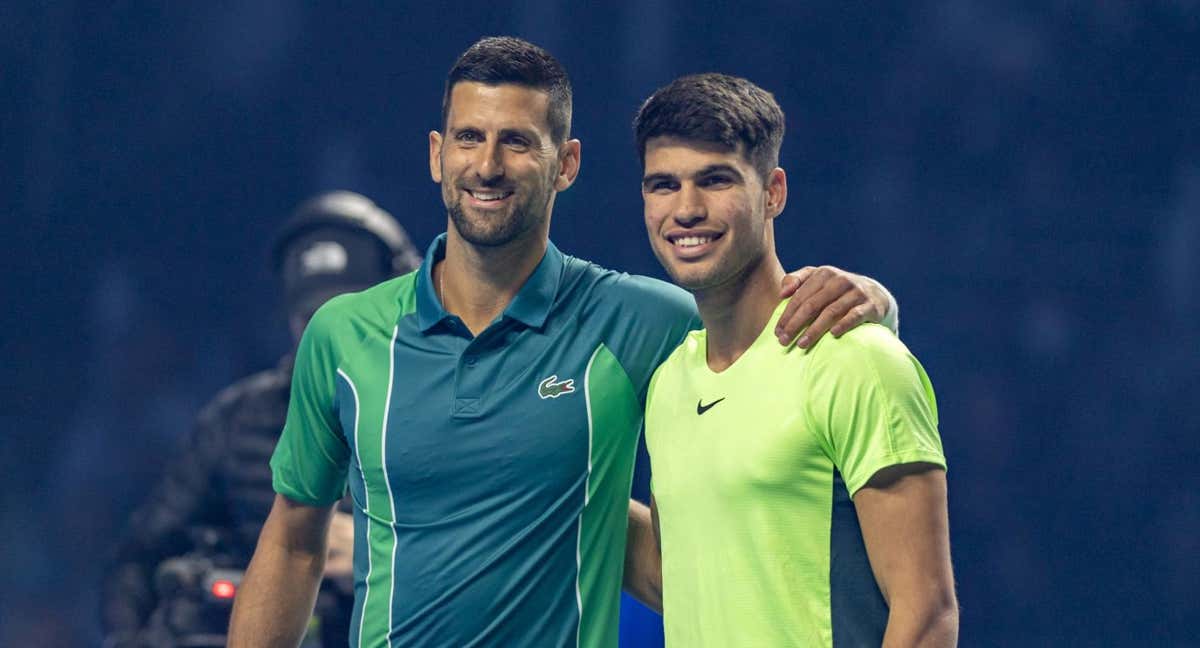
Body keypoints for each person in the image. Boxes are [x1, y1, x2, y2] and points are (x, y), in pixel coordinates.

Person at [228, 37, 898, 648]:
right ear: (437, 154)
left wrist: (876, 303)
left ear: (566, 163)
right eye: (469, 138)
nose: (487, 166)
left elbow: (776, 342)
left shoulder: (642, 320)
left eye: (517, 142)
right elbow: (292, 545)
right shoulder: (345, 335)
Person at [630, 73, 958, 646]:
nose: (686, 209)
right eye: (663, 185)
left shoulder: (857, 361)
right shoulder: (668, 384)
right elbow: (677, 579)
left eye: (715, 180)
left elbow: (927, 612)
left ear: (773, 192)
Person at [101, 191, 421, 648]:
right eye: (312, 317)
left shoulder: (449, 418)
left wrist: (382, 562)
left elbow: (505, 576)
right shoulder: (236, 424)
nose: (328, 335)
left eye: (349, 314)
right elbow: (138, 561)